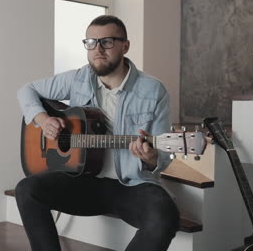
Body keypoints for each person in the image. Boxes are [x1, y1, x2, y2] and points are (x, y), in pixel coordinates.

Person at [16, 15, 179, 251]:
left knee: (165, 216)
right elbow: (26, 90)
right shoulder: (78, 78)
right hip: (83, 181)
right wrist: (43, 120)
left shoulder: (153, 90)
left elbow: (161, 157)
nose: (98, 49)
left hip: (131, 185)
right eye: (91, 42)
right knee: (27, 189)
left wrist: (150, 157)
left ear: (125, 45)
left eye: (107, 42)